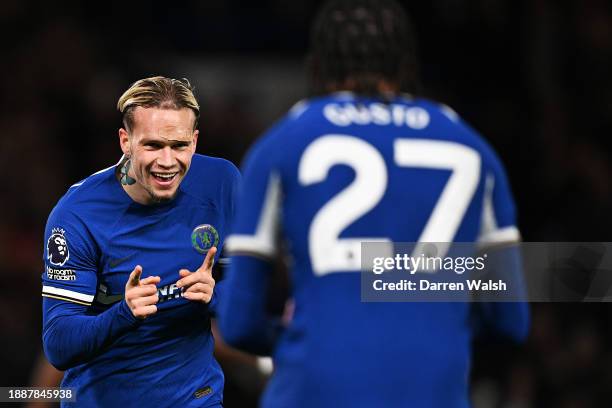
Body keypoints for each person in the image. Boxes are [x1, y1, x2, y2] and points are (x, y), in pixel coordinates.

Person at [219, 1, 529, 407]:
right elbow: (512, 322)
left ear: (316, 67)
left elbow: (239, 324)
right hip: (433, 392)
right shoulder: (471, 146)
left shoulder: (283, 141)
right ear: (407, 67)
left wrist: (292, 337)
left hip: (311, 389)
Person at [41, 76, 240, 407]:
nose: (166, 161)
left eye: (178, 145)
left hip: (196, 398)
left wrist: (215, 296)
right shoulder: (78, 214)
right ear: (125, 141)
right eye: (152, 145)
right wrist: (124, 313)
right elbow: (58, 345)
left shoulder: (222, 183)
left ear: (194, 141)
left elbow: (248, 299)